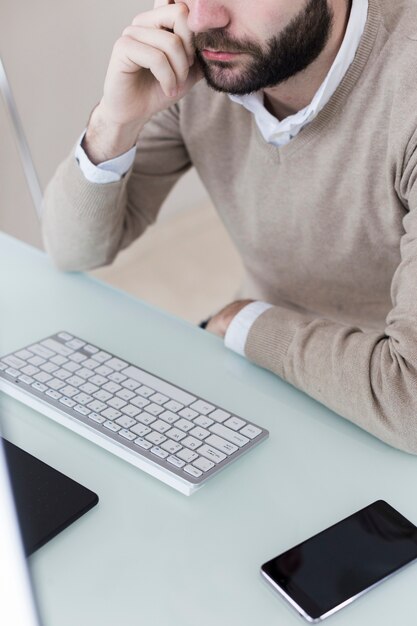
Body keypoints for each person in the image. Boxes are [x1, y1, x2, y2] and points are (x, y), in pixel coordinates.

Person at [42, 0, 417, 454]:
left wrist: (244, 320)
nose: (201, 20)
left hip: (382, 415)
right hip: (264, 374)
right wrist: (114, 121)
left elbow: (409, 401)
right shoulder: (210, 66)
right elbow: (71, 250)